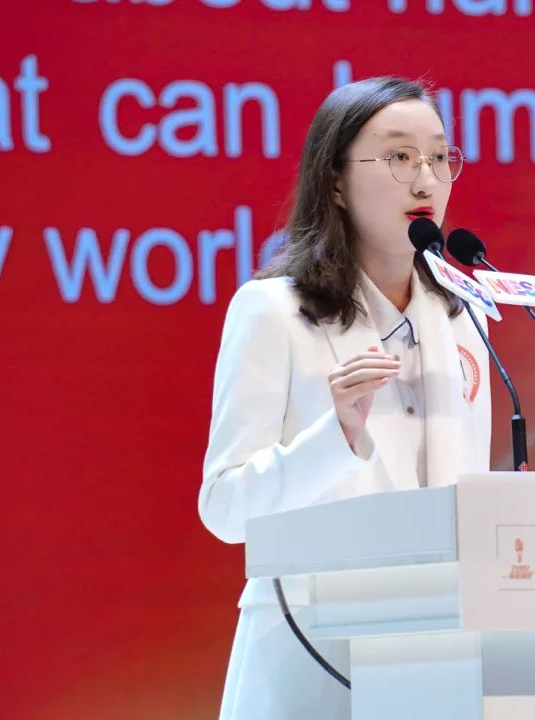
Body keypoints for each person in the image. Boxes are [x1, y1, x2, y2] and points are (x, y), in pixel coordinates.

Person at [198, 76, 493, 719]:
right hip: (309, 652)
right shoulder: (274, 311)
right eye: (398, 156)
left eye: (438, 157)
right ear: (334, 181)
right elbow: (224, 508)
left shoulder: (464, 318)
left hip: (437, 658)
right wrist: (335, 439)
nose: (425, 180)